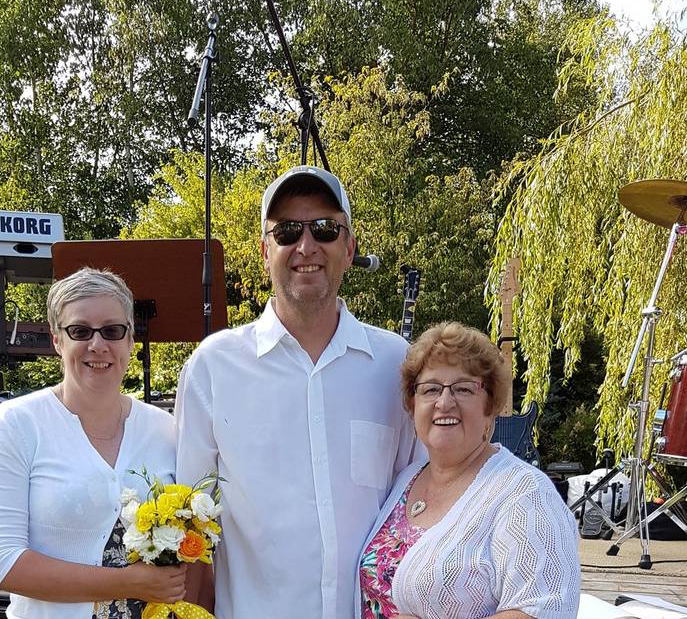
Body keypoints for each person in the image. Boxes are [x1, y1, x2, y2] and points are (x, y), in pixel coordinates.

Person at [176, 165, 422, 619]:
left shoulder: (397, 364)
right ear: (265, 249)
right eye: (287, 231)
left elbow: (425, 504)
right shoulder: (214, 367)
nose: (306, 246)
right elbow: (192, 529)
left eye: (325, 229)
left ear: (349, 249)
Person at [0, 267, 185, 619]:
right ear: (57, 340)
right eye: (80, 330)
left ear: (130, 339)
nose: (98, 345)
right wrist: (128, 583)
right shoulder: (17, 423)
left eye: (113, 331)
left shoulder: (165, 428)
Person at [357, 322, 580, 619]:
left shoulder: (525, 493)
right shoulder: (407, 478)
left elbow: (545, 610)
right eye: (430, 389)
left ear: (490, 405)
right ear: (413, 405)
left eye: (463, 389)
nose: (444, 402)